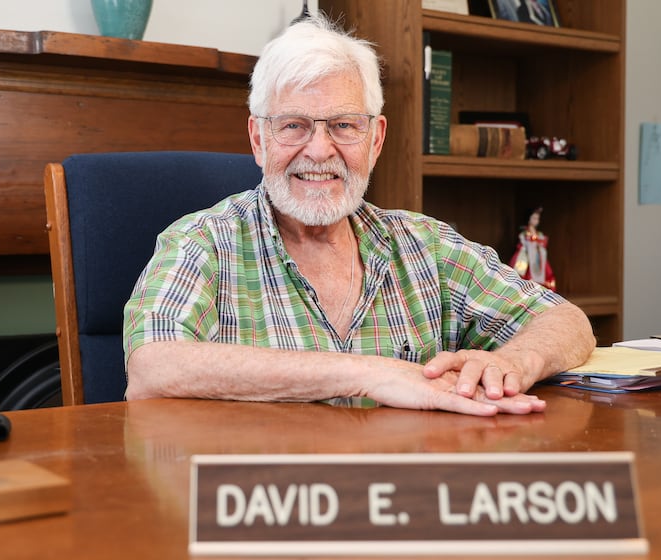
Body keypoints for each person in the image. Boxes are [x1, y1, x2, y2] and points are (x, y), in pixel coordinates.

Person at [123, 15, 594, 416]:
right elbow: (152, 368)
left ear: (376, 140)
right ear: (258, 139)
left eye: (344, 126)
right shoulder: (202, 243)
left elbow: (567, 321)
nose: (320, 150)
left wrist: (513, 363)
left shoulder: (424, 245)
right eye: (294, 125)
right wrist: (367, 374)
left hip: (404, 501)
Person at [509, 207, 557, 291]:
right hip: (527, 257)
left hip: (538, 258)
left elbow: (543, 243)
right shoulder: (524, 233)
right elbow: (522, 244)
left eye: (537, 219)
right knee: (523, 273)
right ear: (529, 219)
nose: (536, 221)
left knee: (545, 273)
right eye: (534, 218)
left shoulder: (539, 234)